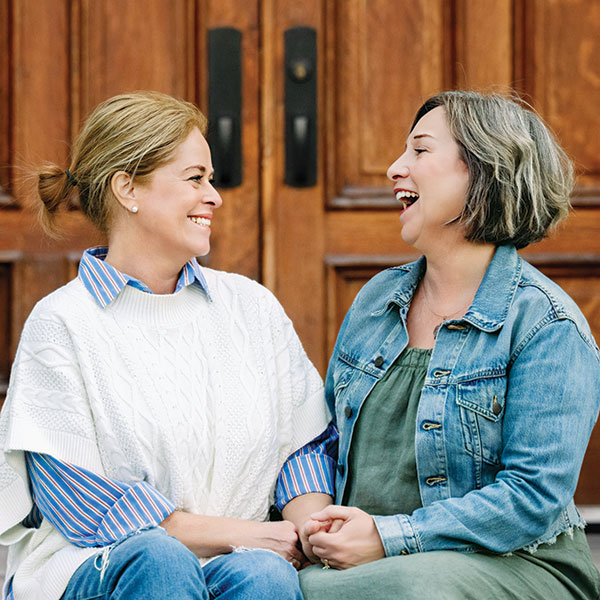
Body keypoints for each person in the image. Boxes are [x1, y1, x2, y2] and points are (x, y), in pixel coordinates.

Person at [0, 91, 337, 600]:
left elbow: (302, 446)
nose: (214, 196)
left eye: (212, 178)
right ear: (127, 188)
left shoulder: (251, 307)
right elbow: (81, 507)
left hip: (235, 562)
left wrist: (313, 530)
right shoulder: (63, 323)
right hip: (100, 567)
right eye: (195, 178)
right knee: (159, 559)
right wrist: (242, 533)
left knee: (265, 575)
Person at [298, 90, 600, 599]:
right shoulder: (376, 300)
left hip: (513, 563)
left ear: (485, 172)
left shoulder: (546, 325)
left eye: (420, 151)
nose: (395, 169)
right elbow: (325, 439)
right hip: (365, 562)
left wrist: (390, 537)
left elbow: (532, 498)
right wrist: (313, 524)